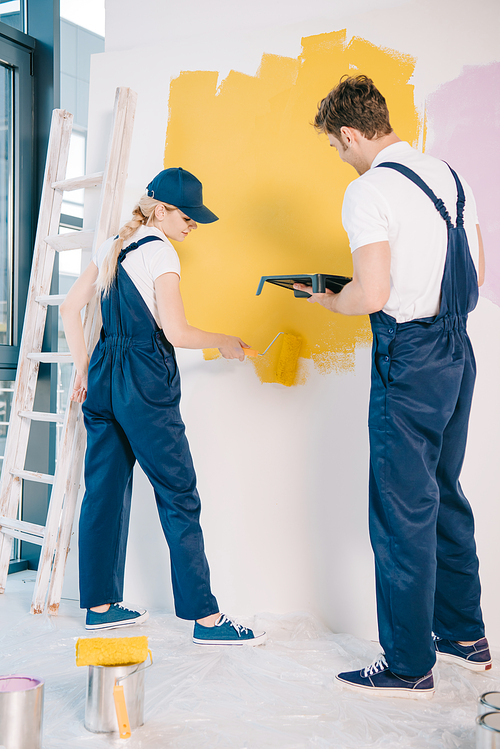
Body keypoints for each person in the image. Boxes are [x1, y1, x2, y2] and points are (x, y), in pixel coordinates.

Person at [294, 75, 489, 698]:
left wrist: (332, 301)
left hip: (408, 360)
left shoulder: (368, 190)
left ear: (350, 133)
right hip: (458, 350)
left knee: (402, 511)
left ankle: (409, 663)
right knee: (444, 493)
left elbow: (372, 295)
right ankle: (464, 636)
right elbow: (476, 276)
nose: (340, 157)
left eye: (335, 146)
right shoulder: (449, 176)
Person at [60, 166, 266, 646]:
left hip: (105, 372)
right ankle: (206, 619)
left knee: (103, 491)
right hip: (144, 381)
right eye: (188, 216)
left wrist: (84, 369)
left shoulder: (111, 243)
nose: (193, 225)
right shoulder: (161, 252)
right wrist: (227, 342)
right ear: (162, 209)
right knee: (178, 494)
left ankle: (99, 607)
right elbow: (177, 333)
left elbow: (71, 309)